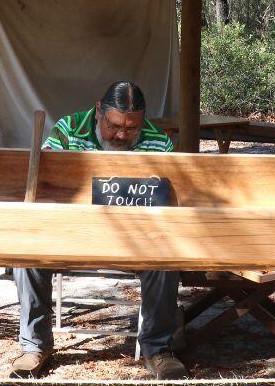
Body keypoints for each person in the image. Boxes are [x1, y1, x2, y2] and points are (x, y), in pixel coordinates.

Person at [10, 81, 187, 380]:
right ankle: (34, 346)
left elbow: (165, 204)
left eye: (132, 129)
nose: (121, 135)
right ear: (98, 112)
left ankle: (158, 349)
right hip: (71, 232)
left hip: (134, 238)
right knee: (27, 257)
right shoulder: (69, 129)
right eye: (115, 125)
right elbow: (48, 186)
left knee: (164, 261)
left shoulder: (160, 142)